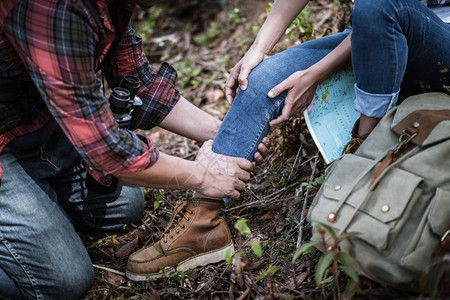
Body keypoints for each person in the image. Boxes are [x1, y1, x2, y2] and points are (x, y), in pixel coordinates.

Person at [125, 0, 450, 283]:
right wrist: (257, 51)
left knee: (377, 4)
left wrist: (316, 73)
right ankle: (202, 221)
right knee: (261, 80)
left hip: (438, 41)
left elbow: (381, 9)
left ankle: (362, 152)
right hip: (374, 34)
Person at [0, 0, 270, 298]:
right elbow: (106, 149)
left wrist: (225, 134)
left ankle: (36, 206)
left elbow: (140, 84)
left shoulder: (107, 5)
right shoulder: (56, 10)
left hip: (44, 123)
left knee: (125, 205)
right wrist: (204, 176)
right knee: (65, 280)